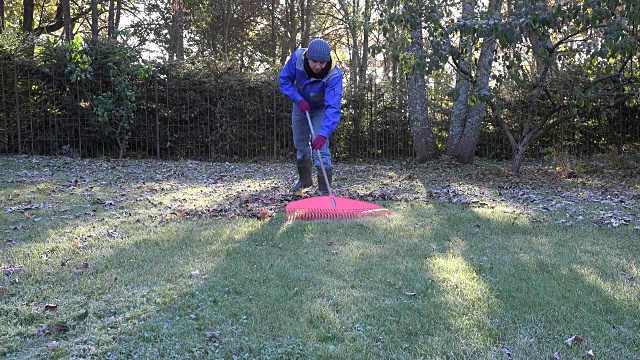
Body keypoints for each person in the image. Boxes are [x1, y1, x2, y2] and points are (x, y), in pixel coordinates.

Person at [279, 38, 343, 195]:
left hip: (321, 109)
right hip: (300, 105)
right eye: (315, 61)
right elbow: (284, 80)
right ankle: (304, 181)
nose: (318, 66)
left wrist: (323, 134)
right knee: (300, 144)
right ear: (308, 57)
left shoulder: (334, 75)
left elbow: (333, 107)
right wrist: (298, 99)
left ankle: (324, 190)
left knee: (321, 149)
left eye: (322, 63)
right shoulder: (297, 59)